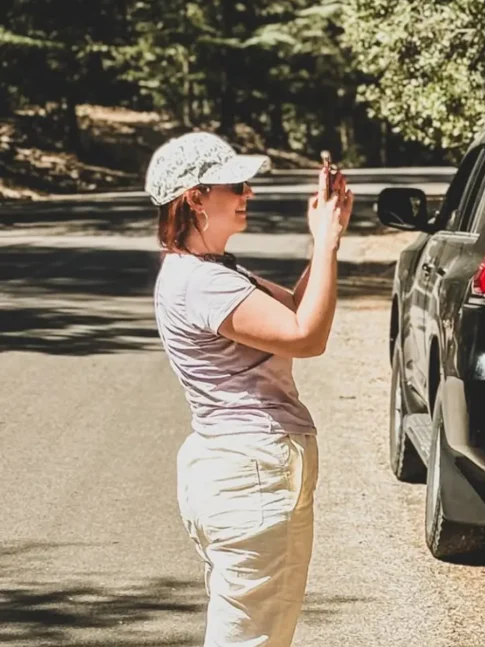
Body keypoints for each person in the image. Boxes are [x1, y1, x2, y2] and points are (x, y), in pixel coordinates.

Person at [146, 132, 352, 647]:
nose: (248, 194)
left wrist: (328, 237)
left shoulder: (209, 271)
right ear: (195, 198)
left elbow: (298, 312)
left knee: (251, 632)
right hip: (251, 472)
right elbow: (308, 337)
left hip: (239, 468)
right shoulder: (203, 282)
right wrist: (323, 243)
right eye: (236, 184)